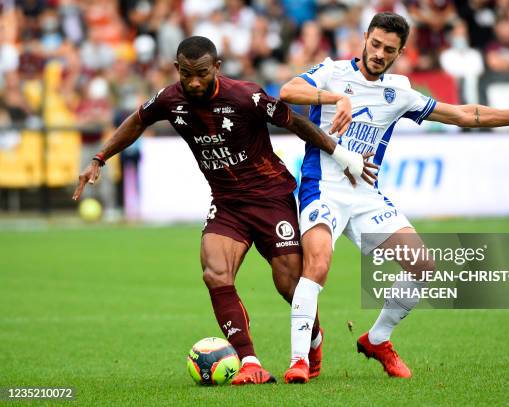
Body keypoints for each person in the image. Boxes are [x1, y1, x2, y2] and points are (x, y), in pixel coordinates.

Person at [72, 36, 373, 385]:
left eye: (201, 73)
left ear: (216, 68)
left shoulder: (246, 96)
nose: (194, 82)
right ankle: (249, 361)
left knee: (290, 285)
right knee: (215, 273)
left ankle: (315, 338)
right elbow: (137, 120)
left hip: (271, 197)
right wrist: (100, 157)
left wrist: (341, 155)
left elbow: (294, 121)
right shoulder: (171, 99)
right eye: (186, 74)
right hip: (227, 202)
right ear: (177, 69)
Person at [279, 12, 509, 383]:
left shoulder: (399, 92)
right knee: (318, 266)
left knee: (423, 265)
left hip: (365, 194)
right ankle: (300, 360)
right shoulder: (332, 71)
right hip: (323, 187)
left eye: (389, 50)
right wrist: (335, 98)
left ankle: (378, 339)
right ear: (365, 37)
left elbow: (463, 114)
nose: (379, 54)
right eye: (375, 44)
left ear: (400, 52)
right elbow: (287, 92)